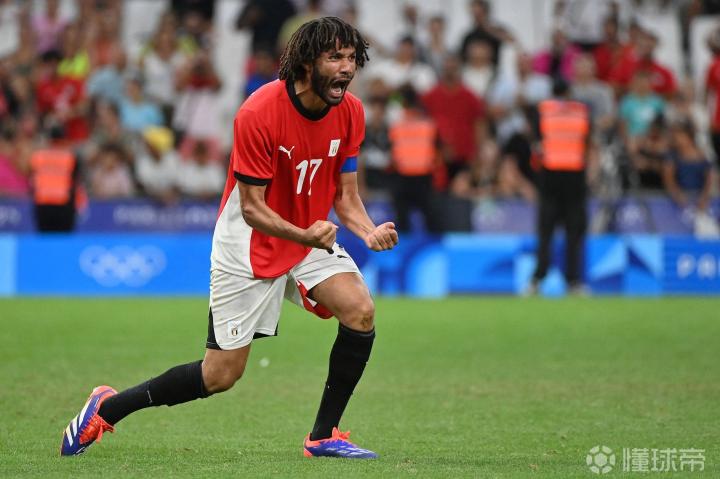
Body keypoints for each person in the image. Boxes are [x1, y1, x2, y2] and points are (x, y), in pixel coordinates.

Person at [60, 17, 398, 459]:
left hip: (307, 239)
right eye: (335, 57)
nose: (347, 67)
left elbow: (346, 196)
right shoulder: (259, 113)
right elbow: (253, 209)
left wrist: (369, 231)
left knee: (360, 310)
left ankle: (323, 436)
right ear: (306, 62)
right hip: (249, 245)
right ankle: (108, 407)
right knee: (219, 375)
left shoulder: (351, 111)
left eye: (352, 58)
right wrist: (305, 234)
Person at [528, 80, 591, 296]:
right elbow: (589, 144)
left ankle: (537, 280)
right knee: (574, 233)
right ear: (569, 91)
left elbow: (536, 144)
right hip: (575, 179)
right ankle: (573, 282)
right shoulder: (581, 111)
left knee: (545, 232)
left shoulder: (543, 111)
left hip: (550, 179)